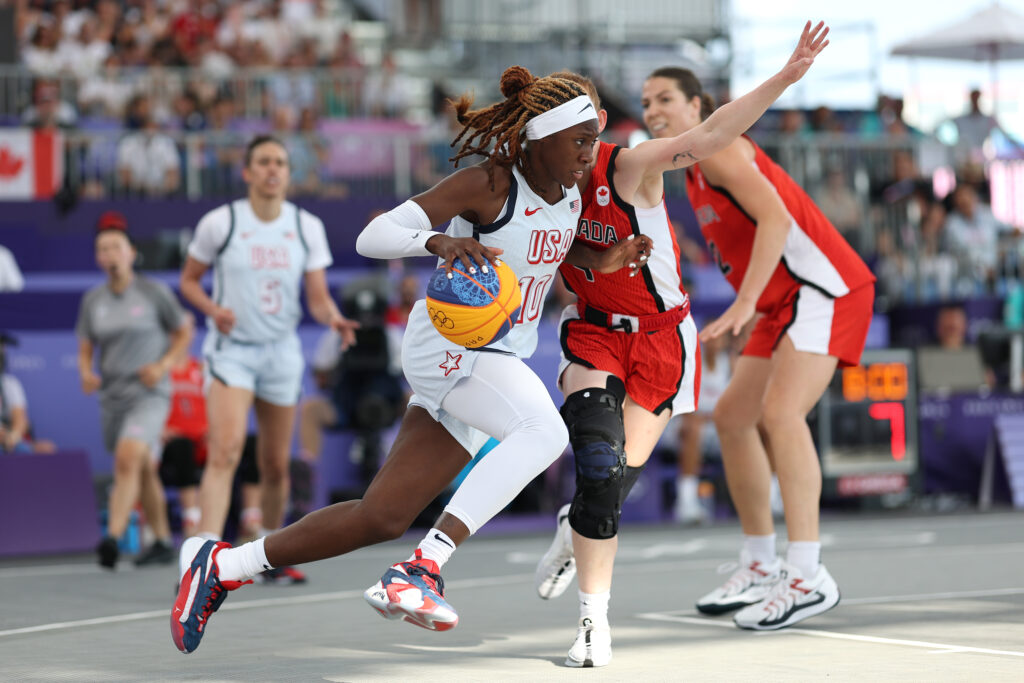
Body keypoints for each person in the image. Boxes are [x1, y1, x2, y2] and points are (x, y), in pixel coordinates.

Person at [170, 65, 651, 655]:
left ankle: (222, 566)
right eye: (578, 140)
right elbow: (372, 236)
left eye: (592, 139)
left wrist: (604, 261)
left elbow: (550, 243)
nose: (589, 152)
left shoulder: (568, 191)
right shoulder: (490, 184)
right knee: (542, 432)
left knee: (381, 515)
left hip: (488, 359)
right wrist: (438, 241)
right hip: (453, 347)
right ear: (537, 138)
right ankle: (422, 569)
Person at [531, 21, 830, 666]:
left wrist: (785, 77)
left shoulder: (631, 164)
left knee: (604, 488)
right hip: (594, 336)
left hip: (663, 342)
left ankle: (573, 523)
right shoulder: (537, 192)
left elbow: (714, 134)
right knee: (595, 452)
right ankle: (593, 624)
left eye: (583, 136)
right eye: (559, 138)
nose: (575, 151)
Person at [637, 58, 875, 632]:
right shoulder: (689, 171)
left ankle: (806, 574)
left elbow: (776, 221)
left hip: (826, 288)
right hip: (782, 300)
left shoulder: (719, 150)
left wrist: (742, 303)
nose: (653, 112)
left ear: (698, 107)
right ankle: (760, 562)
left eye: (665, 99)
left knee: (781, 414)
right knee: (734, 417)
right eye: (646, 103)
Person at [176, 134, 359, 585]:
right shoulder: (221, 222)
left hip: (281, 352)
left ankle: (267, 554)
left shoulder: (305, 225)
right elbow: (189, 281)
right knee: (225, 451)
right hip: (232, 352)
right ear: (247, 172)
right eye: (263, 162)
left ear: (288, 173)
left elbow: (316, 298)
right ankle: (203, 558)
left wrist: (333, 318)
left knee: (276, 464)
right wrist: (212, 310)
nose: (272, 169)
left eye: (279, 162)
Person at [76, 211, 190, 569]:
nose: (110, 254)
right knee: (142, 469)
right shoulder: (93, 300)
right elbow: (85, 344)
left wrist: (163, 365)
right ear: (98, 257)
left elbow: (183, 331)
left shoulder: (153, 292)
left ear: (130, 252)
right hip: (113, 395)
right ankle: (160, 540)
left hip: (149, 394)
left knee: (127, 458)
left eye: (116, 247)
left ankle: (111, 536)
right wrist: (85, 372)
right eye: (103, 249)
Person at [0, 332, 57, 454]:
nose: (2, 353)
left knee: (45, 449)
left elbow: (20, 419)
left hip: (8, 441)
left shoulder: (9, 384)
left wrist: (13, 437)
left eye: (2, 349)